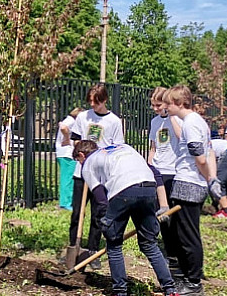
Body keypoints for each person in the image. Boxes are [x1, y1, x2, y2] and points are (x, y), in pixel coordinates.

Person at [75, 140, 179, 296]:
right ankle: (170, 289)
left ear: (82, 155)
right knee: (149, 243)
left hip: (122, 191)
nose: (80, 164)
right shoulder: (123, 148)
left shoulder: (88, 164)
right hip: (148, 188)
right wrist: (162, 204)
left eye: (78, 160)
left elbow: (101, 199)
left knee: (114, 245)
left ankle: (120, 291)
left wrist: (106, 222)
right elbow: (155, 173)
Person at [164, 85, 220, 296]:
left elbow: (201, 157)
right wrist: (212, 178)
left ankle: (194, 283)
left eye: (168, 103)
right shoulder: (195, 122)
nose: (166, 106)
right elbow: (210, 151)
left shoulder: (191, 124)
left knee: (188, 237)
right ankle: (187, 278)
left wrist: (208, 178)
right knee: (181, 235)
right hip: (187, 183)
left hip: (189, 185)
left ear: (178, 103)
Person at [69, 84, 125, 269]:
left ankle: (93, 250)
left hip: (101, 176)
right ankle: (73, 247)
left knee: (97, 214)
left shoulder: (114, 122)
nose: (93, 105)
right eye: (91, 101)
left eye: (97, 102)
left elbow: (117, 148)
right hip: (82, 172)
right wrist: (83, 155)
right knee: (77, 212)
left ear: (105, 100)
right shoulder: (84, 117)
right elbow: (76, 139)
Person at [147, 87, 179, 274]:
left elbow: (181, 138)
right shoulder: (154, 122)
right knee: (160, 212)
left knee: (171, 214)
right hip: (158, 171)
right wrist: (149, 166)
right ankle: (166, 250)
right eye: (152, 105)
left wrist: (171, 116)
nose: (155, 108)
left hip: (173, 171)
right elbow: (153, 147)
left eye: (158, 105)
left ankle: (174, 252)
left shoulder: (176, 120)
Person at [55, 107, 83, 211]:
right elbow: (62, 127)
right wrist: (67, 139)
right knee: (67, 178)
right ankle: (65, 202)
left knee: (69, 178)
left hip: (65, 153)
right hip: (66, 153)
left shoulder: (70, 120)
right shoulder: (71, 120)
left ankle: (68, 201)